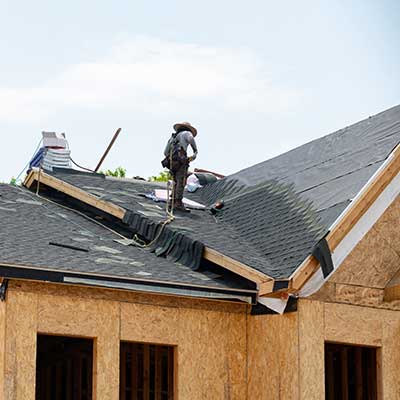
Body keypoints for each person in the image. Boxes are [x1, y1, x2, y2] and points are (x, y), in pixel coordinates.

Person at [163, 122, 198, 212]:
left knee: (175, 181)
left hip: (172, 163)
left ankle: (172, 201)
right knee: (181, 181)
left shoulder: (172, 137)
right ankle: (178, 203)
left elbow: (165, 152)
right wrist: (195, 151)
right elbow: (190, 138)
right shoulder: (187, 133)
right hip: (180, 162)